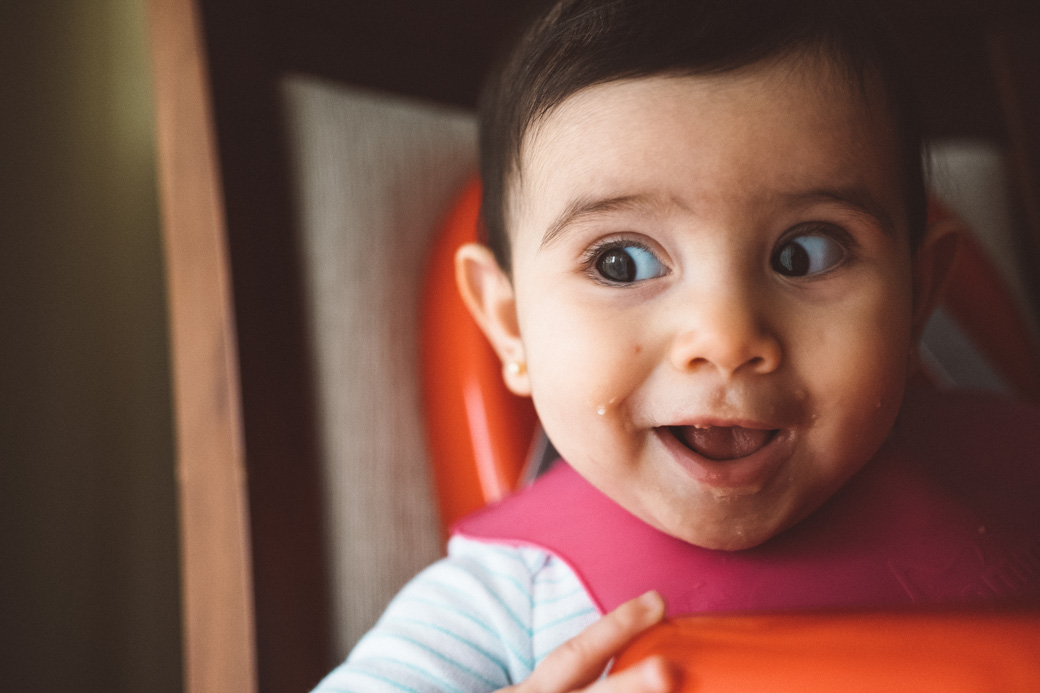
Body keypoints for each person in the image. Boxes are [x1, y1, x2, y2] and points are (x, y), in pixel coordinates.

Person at [314, 0, 1040, 691]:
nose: (725, 339)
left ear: (918, 298)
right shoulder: (507, 604)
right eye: (620, 262)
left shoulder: (1017, 495)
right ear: (510, 323)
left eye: (805, 253)